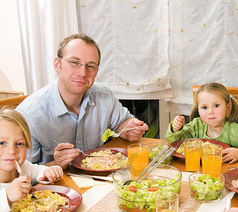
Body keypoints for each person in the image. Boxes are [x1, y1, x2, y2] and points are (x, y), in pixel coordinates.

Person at [16, 33, 148, 169]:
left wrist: (129, 128)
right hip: (58, 187)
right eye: (74, 63)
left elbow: (122, 123)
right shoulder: (29, 115)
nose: (83, 73)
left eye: (90, 66)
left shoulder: (104, 96)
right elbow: (19, 173)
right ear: (57, 65)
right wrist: (57, 164)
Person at [166, 82, 238, 163]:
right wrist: (175, 129)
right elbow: (174, 142)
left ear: (228, 107)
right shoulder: (196, 125)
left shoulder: (233, 130)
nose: (210, 112)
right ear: (198, 110)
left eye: (216, 106)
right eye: (204, 107)